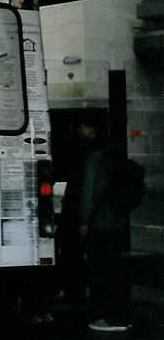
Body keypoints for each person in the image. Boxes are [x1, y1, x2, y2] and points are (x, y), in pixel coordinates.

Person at [78, 127, 131, 332]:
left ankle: (107, 318)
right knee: (115, 270)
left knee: (100, 272)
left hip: (100, 223)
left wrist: (83, 221)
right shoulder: (115, 158)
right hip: (117, 223)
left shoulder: (94, 159)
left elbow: (89, 193)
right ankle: (120, 316)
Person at [56, 117, 97, 308]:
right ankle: (76, 291)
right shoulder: (91, 151)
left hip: (74, 211)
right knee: (77, 253)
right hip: (80, 211)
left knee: (70, 252)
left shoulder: (81, 151)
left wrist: (82, 219)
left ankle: (72, 291)